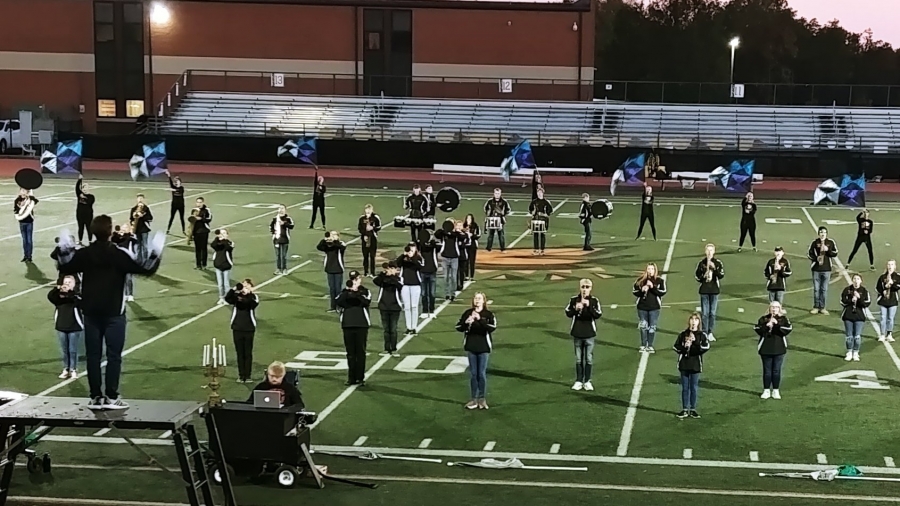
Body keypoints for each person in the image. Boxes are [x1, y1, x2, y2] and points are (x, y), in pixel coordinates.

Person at [57, 215, 161, 409]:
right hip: (114, 313)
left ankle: (95, 396)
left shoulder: (85, 253)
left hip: (91, 313)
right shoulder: (118, 253)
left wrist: (63, 248)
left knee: (93, 356)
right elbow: (145, 270)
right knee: (114, 356)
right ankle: (112, 397)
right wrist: (156, 252)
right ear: (110, 231)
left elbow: (65, 266)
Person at [455, 292, 496, 410]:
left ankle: (482, 399)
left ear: (484, 301)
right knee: (473, 374)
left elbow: (492, 328)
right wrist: (466, 322)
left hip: (483, 347)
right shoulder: (467, 313)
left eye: (479, 298)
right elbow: (458, 327)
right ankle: (473, 399)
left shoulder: (488, 314)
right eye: (475, 298)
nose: (477, 300)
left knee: (481, 374)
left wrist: (480, 319)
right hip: (471, 346)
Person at [564, 279, 602, 391]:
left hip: (589, 333)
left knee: (589, 358)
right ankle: (579, 380)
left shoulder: (594, 301)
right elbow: (568, 312)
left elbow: (598, 314)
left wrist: (589, 306)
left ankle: (588, 381)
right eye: (583, 287)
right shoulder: (574, 299)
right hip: (577, 332)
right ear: (580, 288)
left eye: (587, 287)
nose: (585, 289)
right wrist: (576, 309)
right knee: (578, 359)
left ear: (591, 288)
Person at [336, 272, 371, 386]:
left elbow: (366, 302)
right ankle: (351, 378)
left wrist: (356, 292)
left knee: (360, 353)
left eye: (356, 279)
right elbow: (338, 301)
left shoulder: (365, 291)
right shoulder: (345, 292)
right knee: (350, 353)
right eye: (353, 279)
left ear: (360, 279)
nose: (355, 281)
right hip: (348, 324)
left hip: (361, 324)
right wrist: (348, 290)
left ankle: (360, 378)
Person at [673, 312, 710, 419]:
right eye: (692, 319)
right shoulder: (683, 334)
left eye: (696, 319)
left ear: (699, 322)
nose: (693, 322)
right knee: (685, 387)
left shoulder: (702, 335)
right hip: (684, 364)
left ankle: (693, 409)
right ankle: (684, 409)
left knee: (693, 387)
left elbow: (705, 348)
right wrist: (685, 347)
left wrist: (695, 343)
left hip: (695, 364)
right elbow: (676, 347)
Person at [754, 301, 793, 400]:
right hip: (766, 348)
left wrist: (776, 325)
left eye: (776, 307)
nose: (774, 309)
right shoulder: (764, 319)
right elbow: (757, 329)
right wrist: (767, 325)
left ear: (780, 308)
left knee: (776, 370)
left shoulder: (783, 319)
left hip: (779, 348)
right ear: (769, 308)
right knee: (767, 371)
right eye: (772, 307)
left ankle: (776, 390)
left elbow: (787, 330)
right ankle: (766, 390)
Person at [48, 275, 84, 380]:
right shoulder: (59, 297)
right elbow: (50, 296)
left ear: (73, 284)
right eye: (66, 282)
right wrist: (57, 288)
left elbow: (80, 302)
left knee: (72, 350)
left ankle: (73, 369)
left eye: (69, 282)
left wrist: (70, 292)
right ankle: (66, 369)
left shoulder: (77, 296)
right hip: (61, 326)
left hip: (74, 326)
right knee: (64, 350)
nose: (67, 284)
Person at [226, 279, 259, 383]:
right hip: (237, 328)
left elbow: (250, 304)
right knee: (239, 353)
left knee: (247, 353)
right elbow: (227, 298)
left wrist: (248, 293)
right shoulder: (237, 297)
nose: (244, 287)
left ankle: (248, 376)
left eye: (246, 285)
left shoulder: (254, 297)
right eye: (243, 285)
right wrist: (235, 289)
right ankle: (241, 376)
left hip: (249, 328)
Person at [633, 262, 667, 353]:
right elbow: (634, 291)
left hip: (654, 307)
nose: (650, 271)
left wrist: (653, 287)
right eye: (649, 269)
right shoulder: (640, 280)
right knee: (643, 326)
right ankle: (643, 344)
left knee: (652, 327)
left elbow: (662, 292)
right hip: (642, 307)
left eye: (652, 269)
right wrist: (642, 290)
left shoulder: (659, 281)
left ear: (655, 270)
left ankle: (650, 345)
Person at [694, 244, 724, 341]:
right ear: (705, 251)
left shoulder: (718, 263)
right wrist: (704, 275)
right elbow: (697, 276)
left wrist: (714, 269)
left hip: (714, 290)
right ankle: (704, 332)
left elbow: (721, 275)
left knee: (712, 313)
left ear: (714, 252)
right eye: (708, 250)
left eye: (711, 250)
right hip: (704, 290)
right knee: (705, 313)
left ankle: (710, 332)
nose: (710, 252)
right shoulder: (701, 263)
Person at [373, 261, 402, 356]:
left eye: (393, 268)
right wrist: (383, 274)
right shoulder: (383, 279)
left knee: (393, 329)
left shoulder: (400, 278)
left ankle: (393, 348)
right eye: (389, 268)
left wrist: (390, 276)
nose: (390, 270)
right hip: (384, 306)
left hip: (395, 307)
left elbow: (398, 285)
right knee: (386, 330)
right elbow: (376, 281)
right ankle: (386, 348)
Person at [808, 226, 838, 315]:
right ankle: (816, 306)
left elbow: (835, 253)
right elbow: (809, 254)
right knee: (816, 289)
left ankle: (823, 307)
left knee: (824, 289)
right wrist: (815, 258)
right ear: (818, 233)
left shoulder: (830, 242)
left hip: (827, 269)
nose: (822, 234)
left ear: (826, 234)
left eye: (824, 232)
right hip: (816, 269)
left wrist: (828, 250)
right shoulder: (814, 243)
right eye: (821, 232)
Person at [840, 273, 870, 362]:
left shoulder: (864, 291)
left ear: (861, 281)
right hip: (848, 315)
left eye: (858, 279)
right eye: (854, 279)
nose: (856, 281)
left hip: (859, 316)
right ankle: (849, 352)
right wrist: (851, 300)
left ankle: (856, 352)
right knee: (849, 336)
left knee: (857, 336)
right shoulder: (847, 290)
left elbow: (867, 303)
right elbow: (842, 302)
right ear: (852, 280)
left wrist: (859, 298)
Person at [397, 242, 424, 334]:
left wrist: (412, 257)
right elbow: (397, 263)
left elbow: (420, 267)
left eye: (413, 247)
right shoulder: (404, 258)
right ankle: (409, 327)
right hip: (405, 284)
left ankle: (414, 326)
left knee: (414, 306)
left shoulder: (419, 257)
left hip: (415, 284)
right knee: (407, 307)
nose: (411, 249)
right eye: (410, 247)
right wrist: (404, 255)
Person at [317, 231, 347, 312]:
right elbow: (319, 247)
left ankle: (339, 306)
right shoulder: (327, 244)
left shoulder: (341, 243)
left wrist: (335, 241)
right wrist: (325, 239)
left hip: (338, 269)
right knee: (332, 289)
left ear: (338, 236)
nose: (332, 236)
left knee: (338, 289)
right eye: (331, 234)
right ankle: (333, 307)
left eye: (334, 235)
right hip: (329, 269)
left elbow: (341, 248)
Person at [435, 219, 462, 302]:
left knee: (454, 277)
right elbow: (437, 234)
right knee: (446, 277)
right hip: (445, 257)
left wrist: (455, 232)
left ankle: (453, 294)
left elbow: (462, 237)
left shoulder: (456, 235)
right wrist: (444, 231)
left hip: (454, 258)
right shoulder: (443, 234)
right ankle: (447, 294)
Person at [112, 223, 138, 302]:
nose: (123, 230)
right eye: (122, 229)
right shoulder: (118, 238)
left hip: (128, 261)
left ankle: (130, 294)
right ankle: (124, 294)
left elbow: (135, 241)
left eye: (125, 229)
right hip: (119, 261)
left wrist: (130, 233)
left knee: (128, 278)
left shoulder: (130, 238)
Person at [876, 259, 900, 343]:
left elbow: (898, 287)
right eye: (889, 265)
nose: (890, 266)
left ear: (895, 266)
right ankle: (882, 334)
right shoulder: (882, 277)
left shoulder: (897, 276)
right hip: (883, 300)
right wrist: (883, 289)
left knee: (890, 318)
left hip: (893, 300)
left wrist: (892, 283)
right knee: (883, 317)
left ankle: (889, 334)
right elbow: (878, 287)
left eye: (892, 265)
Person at [14, 188, 38, 262]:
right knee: (24, 240)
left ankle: (29, 256)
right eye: (22, 191)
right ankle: (25, 256)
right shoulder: (17, 200)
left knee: (29, 240)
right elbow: (16, 210)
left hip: (29, 222)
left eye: (24, 191)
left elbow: (36, 201)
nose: (23, 192)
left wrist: (29, 196)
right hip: (21, 222)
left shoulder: (30, 200)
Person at [210, 229, 234, 304]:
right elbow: (213, 245)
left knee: (226, 284)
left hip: (226, 265)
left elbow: (228, 247)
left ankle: (227, 298)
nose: (222, 234)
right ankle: (221, 297)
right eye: (221, 233)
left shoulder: (230, 243)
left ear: (227, 234)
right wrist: (217, 238)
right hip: (218, 265)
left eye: (224, 233)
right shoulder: (217, 242)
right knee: (220, 284)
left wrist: (224, 240)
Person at [358, 204, 382, 278]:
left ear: (372, 210)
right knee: (365, 256)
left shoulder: (375, 217)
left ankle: (372, 272)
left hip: (373, 239)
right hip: (364, 239)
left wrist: (373, 228)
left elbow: (379, 226)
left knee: (372, 256)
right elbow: (360, 228)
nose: (368, 211)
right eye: (367, 210)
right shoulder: (362, 218)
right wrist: (364, 234)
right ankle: (366, 272)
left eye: (369, 210)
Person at [418, 230, 439, 318]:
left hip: (432, 271)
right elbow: (420, 246)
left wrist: (433, 240)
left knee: (432, 293)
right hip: (422, 271)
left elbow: (439, 247)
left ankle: (432, 310)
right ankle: (424, 310)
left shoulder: (434, 245)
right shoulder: (420, 246)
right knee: (423, 293)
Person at [270, 205, 294, 275]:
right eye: (280, 208)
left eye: (282, 208)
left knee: (283, 255)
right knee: (278, 255)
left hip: (285, 239)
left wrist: (284, 223)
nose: (281, 210)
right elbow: (271, 227)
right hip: (277, 239)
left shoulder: (288, 218)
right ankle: (278, 269)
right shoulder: (275, 219)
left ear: (285, 210)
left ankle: (284, 268)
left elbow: (291, 226)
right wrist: (274, 233)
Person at [528, 187, 552, 255]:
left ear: (543, 193)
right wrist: (532, 212)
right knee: (535, 235)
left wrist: (545, 214)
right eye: (538, 193)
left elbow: (550, 210)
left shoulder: (546, 202)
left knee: (542, 235)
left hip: (543, 220)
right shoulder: (534, 201)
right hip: (536, 219)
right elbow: (530, 209)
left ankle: (542, 250)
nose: (539, 194)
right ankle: (535, 249)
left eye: (540, 193)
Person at [130, 194, 153, 261]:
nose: (140, 199)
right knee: (138, 245)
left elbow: (150, 218)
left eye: (141, 198)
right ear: (137, 199)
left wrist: (142, 216)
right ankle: (138, 259)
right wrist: (132, 224)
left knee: (145, 245)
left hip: (144, 229)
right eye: (139, 198)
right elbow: (131, 219)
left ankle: (145, 258)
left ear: (143, 199)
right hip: (137, 229)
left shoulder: (146, 209)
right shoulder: (133, 209)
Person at [191, 197, 212, 270]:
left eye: (200, 202)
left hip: (204, 231)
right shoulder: (194, 210)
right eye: (197, 202)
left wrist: (201, 219)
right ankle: (198, 264)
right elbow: (192, 222)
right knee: (197, 249)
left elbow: (209, 219)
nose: (198, 204)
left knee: (203, 248)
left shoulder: (206, 210)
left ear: (203, 202)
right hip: (196, 232)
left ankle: (204, 264)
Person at [75, 175, 95, 244]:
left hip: (88, 215)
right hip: (80, 214)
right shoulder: (79, 195)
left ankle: (90, 241)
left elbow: (90, 203)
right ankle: (80, 241)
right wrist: (79, 180)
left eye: (86, 188)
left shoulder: (91, 196)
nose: (85, 190)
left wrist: (84, 197)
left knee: (89, 228)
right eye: (83, 188)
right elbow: (77, 188)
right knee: (80, 228)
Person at [165, 171, 186, 235]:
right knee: (172, 217)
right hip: (174, 205)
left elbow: (180, 191)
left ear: (180, 182)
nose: (176, 182)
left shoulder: (182, 188)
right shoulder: (173, 187)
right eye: (176, 181)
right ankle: (168, 229)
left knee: (182, 218)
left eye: (177, 181)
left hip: (181, 205)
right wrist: (169, 175)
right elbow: (170, 183)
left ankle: (183, 230)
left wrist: (174, 190)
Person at [462, 214, 481, 282]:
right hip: (465, 245)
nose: (468, 220)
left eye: (470, 219)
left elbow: (478, 235)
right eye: (467, 219)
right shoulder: (463, 226)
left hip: (472, 246)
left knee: (472, 261)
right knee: (465, 261)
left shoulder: (475, 226)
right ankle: (466, 276)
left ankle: (472, 276)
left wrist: (472, 235)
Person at [456, 221, 471, 291]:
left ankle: (460, 284)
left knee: (461, 271)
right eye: (457, 225)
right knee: (455, 271)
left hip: (462, 255)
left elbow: (468, 243)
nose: (458, 227)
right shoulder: (454, 234)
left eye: (460, 225)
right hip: (455, 255)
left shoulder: (465, 234)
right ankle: (456, 284)